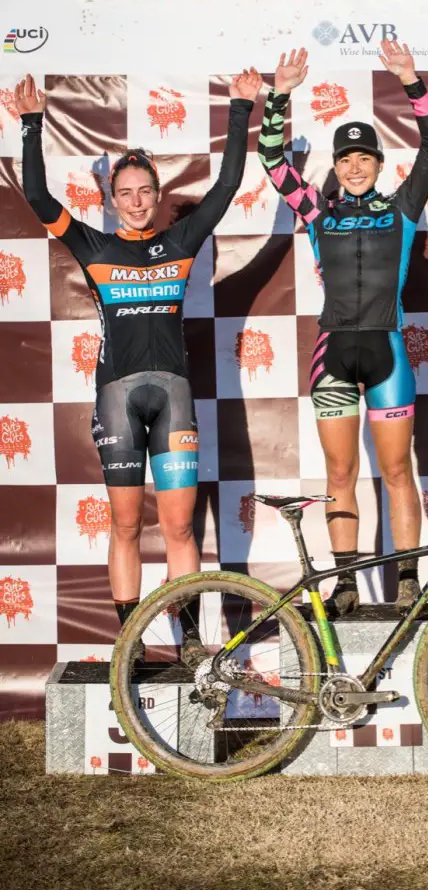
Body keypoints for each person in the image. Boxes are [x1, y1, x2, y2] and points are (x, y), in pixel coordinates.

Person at [15, 68, 262, 661]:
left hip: (173, 394)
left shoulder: (179, 241)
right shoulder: (93, 247)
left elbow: (227, 186)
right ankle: (129, 641)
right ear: (111, 199)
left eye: (144, 191)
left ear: (155, 195)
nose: (135, 201)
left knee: (179, 528)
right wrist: (30, 126)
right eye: (123, 193)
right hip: (117, 400)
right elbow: (41, 199)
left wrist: (239, 110)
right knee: (125, 527)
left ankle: (194, 643)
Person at [258, 42, 428, 615]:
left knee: (396, 470)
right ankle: (344, 583)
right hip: (333, 353)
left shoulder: (403, 210)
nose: (356, 166)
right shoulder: (318, 210)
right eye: (346, 159)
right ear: (336, 167)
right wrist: (279, 95)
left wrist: (411, 81)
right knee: (340, 472)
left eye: (365, 157)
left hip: (388, 350)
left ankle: (408, 579)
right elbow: (271, 161)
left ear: (379, 165)